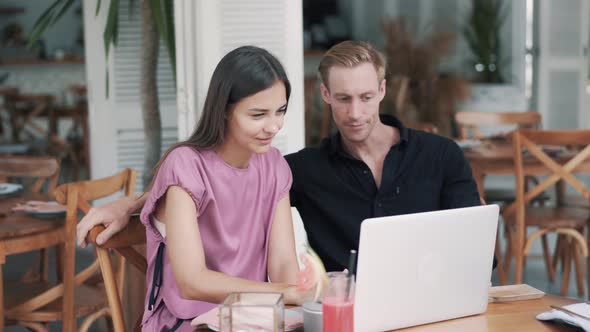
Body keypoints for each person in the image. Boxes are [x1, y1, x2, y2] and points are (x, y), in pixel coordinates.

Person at [77, 41, 482, 277]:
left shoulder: (441, 156)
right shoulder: (297, 169)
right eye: (342, 99)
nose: (355, 113)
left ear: (382, 89)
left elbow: (478, 251)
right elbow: (206, 175)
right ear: (324, 95)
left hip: (431, 306)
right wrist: (129, 203)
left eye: (365, 97)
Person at [126, 46, 302, 331]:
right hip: (188, 322)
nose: (274, 126)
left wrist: (300, 289)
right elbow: (192, 281)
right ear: (224, 111)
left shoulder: (274, 165)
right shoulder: (185, 165)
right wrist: (284, 292)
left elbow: (283, 263)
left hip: (249, 319)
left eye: (279, 111)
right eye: (258, 115)